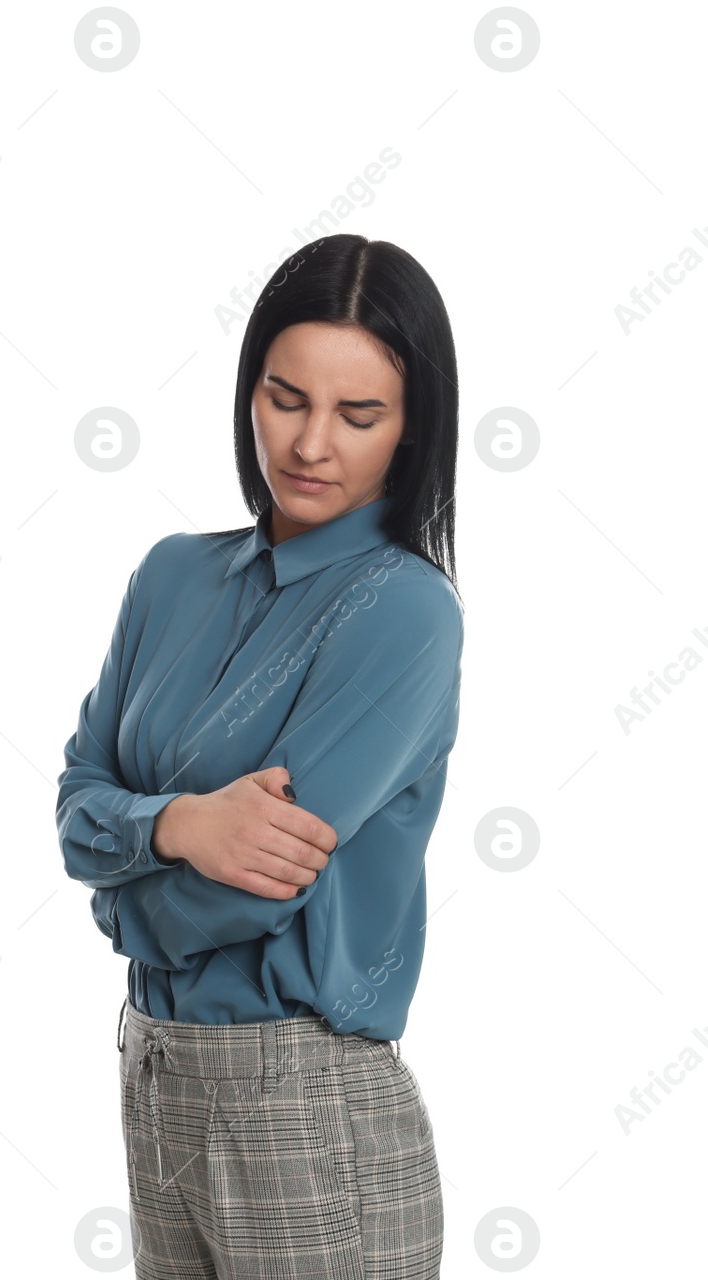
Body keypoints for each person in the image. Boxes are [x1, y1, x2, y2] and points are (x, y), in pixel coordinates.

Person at [57, 234, 463, 1279]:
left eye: (358, 414)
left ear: (411, 428)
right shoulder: (169, 576)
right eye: (286, 398)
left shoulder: (404, 611)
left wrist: (115, 895)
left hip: (305, 1096)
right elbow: (75, 797)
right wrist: (179, 826)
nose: (311, 443)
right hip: (151, 1068)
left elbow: (260, 889)